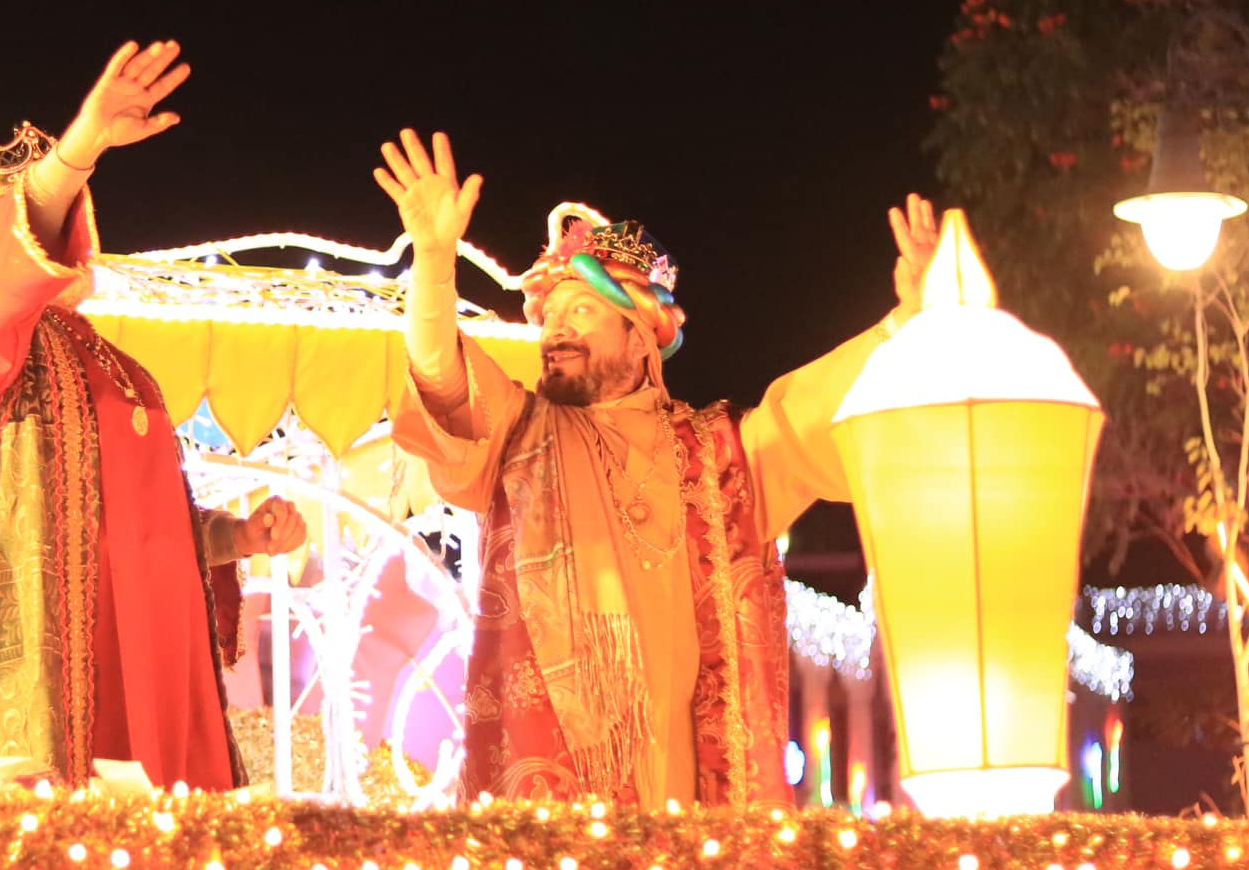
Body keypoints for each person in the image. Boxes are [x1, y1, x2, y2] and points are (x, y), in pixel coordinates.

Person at [375, 128, 938, 808]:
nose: (555, 329)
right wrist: (434, 264)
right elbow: (440, 375)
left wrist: (910, 323)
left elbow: (822, 412)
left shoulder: (720, 458)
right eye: (549, 315)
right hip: (551, 813)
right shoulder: (520, 435)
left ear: (640, 338)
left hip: (693, 809)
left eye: (581, 309)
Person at [0, 39, 305, 790]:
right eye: (48, 214)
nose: (68, 227)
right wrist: (74, 157)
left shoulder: (115, 367)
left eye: (73, 212)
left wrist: (235, 536)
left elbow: (144, 523)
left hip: (151, 679)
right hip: (42, 680)